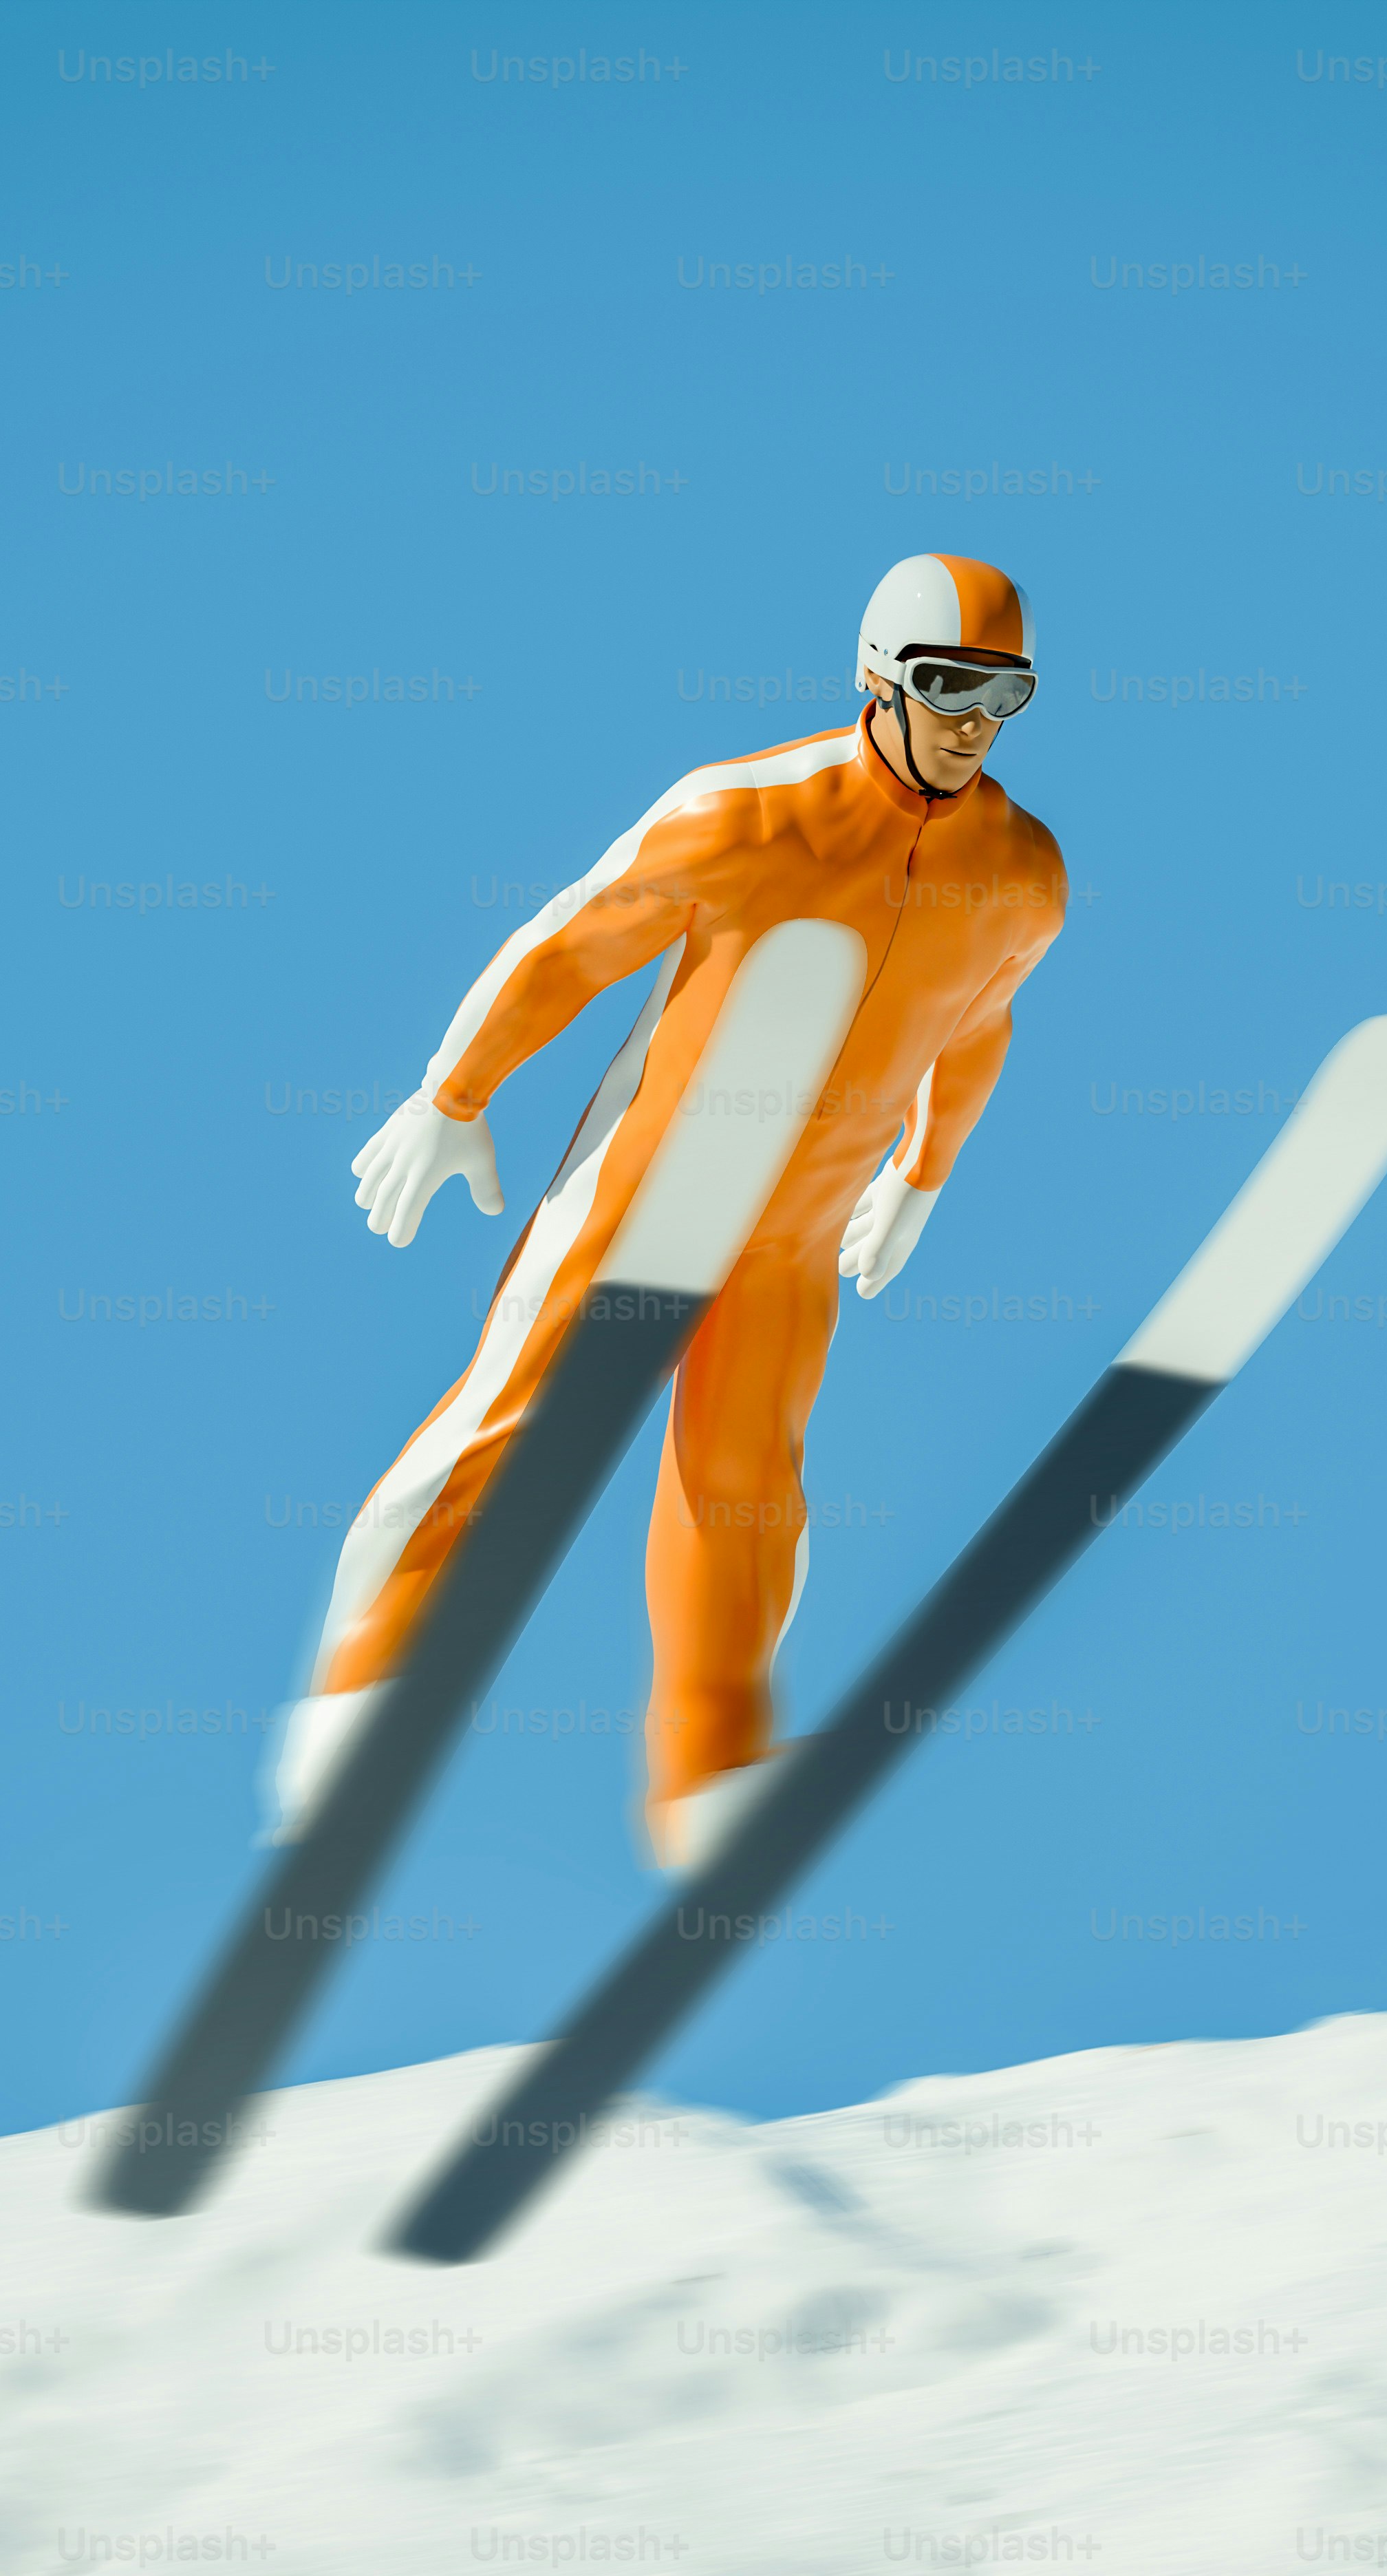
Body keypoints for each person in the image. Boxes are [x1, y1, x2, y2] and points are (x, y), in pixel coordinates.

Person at [273, 553, 1069, 1872]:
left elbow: (973, 1027)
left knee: (747, 1488)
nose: (976, 721)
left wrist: (921, 1177)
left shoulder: (1022, 873)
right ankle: (364, 1698)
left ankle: (709, 1773)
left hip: (794, 1237)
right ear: (880, 680)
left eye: (1008, 693)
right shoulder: (747, 815)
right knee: (510, 1425)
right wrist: (451, 1097)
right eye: (949, 686)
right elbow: (572, 939)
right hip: (648, 1194)